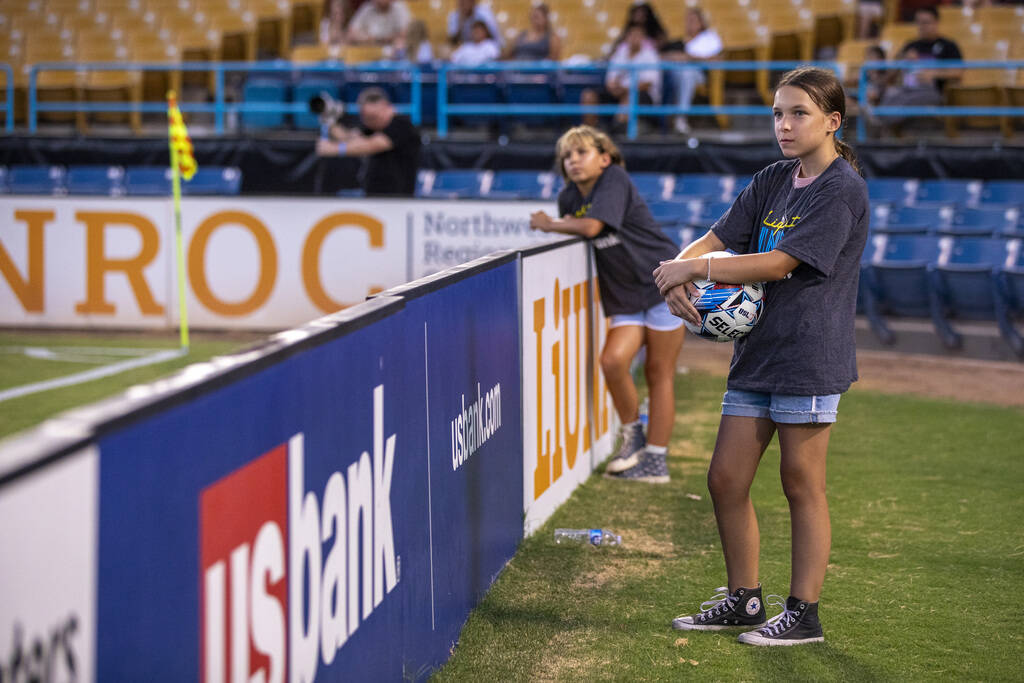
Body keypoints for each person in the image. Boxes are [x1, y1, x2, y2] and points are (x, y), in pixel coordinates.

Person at [653, 67, 868, 645]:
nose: (784, 124)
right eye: (777, 112)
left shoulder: (842, 188)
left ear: (832, 121)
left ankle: (804, 613)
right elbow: (718, 237)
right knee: (725, 478)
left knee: (801, 482)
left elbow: (778, 264)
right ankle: (744, 600)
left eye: (798, 112)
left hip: (809, 355)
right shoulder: (773, 177)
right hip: (757, 354)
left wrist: (693, 268)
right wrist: (679, 271)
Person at [528, 125, 686, 484]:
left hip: (663, 283)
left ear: (604, 158)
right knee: (613, 361)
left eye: (581, 153)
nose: (572, 161)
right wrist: (560, 221)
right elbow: (582, 226)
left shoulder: (614, 178)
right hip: (624, 294)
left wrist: (548, 225)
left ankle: (656, 462)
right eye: (567, 156)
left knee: (658, 374)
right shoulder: (569, 198)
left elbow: (592, 227)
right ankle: (633, 436)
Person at [315, 87, 421, 196]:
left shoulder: (401, 126)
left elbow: (371, 145)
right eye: (365, 118)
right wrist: (330, 122)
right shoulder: (373, 128)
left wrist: (335, 149)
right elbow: (349, 137)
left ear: (386, 107)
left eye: (373, 117)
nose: (368, 121)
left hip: (397, 198)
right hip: (373, 195)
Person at [877, 6, 962, 133]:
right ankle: (880, 121)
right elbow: (890, 75)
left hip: (934, 92)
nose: (922, 26)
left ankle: (879, 123)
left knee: (906, 100)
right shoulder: (911, 45)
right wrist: (902, 59)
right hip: (907, 88)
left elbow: (958, 72)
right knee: (891, 93)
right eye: (919, 22)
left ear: (936, 23)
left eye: (926, 22)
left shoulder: (948, 46)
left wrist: (933, 74)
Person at [581, 23, 660, 133]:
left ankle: (620, 132)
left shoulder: (650, 56)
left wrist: (626, 89)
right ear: (627, 37)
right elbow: (610, 79)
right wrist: (614, 88)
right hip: (618, 92)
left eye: (638, 35)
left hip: (642, 95)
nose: (634, 38)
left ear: (643, 38)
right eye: (632, 35)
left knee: (631, 96)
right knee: (589, 95)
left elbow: (647, 83)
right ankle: (589, 132)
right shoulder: (620, 53)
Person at [662, 7, 722, 135]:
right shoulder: (679, 41)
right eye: (688, 20)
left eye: (693, 20)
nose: (690, 23)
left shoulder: (709, 38)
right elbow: (664, 55)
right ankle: (657, 117)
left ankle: (681, 118)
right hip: (676, 72)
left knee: (687, 73)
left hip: (700, 74)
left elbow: (715, 58)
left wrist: (688, 57)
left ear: (701, 22)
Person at [345, 0, 411, 45]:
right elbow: (351, 32)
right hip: (369, 52)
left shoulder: (399, 7)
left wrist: (382, 39)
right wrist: (364, 38)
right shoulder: (367, 8)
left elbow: (406, 33)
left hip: (393, 54)